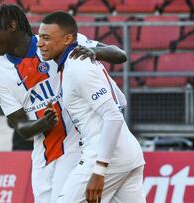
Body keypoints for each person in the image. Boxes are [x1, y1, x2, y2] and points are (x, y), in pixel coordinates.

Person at [0, 4, 127, 203]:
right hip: (43, 155)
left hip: (79, 144)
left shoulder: (55, 41)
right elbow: (20, 127)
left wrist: (93, 51)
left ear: (12, 26)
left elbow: (120, 55)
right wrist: (42, 123)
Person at [37, 11, 146, 203]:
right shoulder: (75, 62)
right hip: (128, 152)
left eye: (46, 38)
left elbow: (113, 116)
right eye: (39, 38)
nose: (39, 44)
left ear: (67, 39)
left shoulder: (78, 67)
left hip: (106, 159)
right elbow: (121, 101)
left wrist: (99, 170)